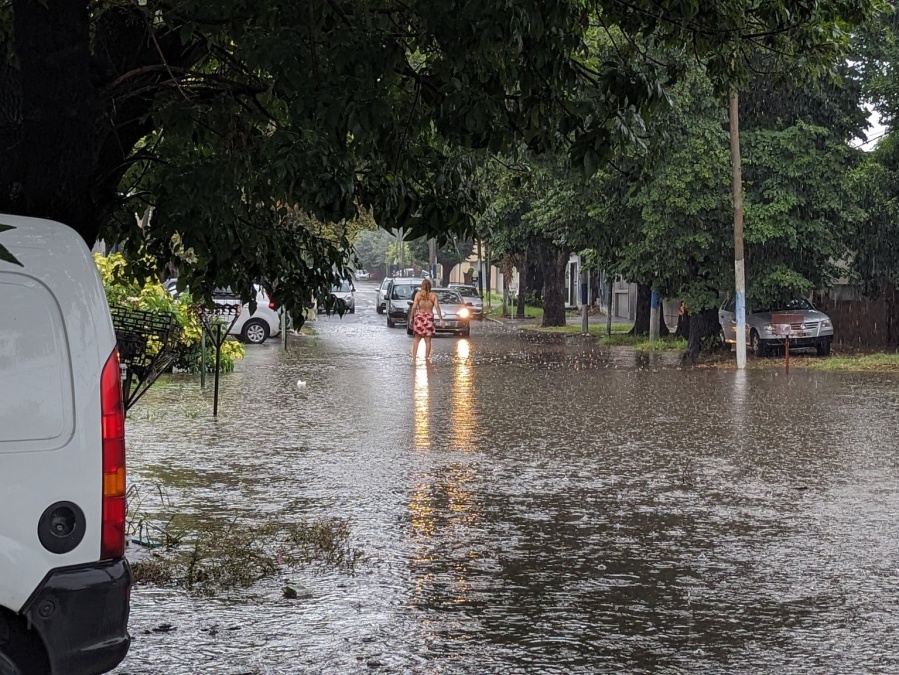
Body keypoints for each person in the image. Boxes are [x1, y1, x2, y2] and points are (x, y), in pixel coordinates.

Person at [410, 278, 444, 361]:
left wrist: (411, 317)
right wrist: (441, 319)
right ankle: (426, 358)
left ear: (422, 286)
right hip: (429, 318)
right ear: (430, 286)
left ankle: (414, 358)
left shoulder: (418, 295)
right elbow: (437, 307)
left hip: (419, 318)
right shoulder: (433, 295)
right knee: (428, 341)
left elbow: (414, 307)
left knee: (416, 340)